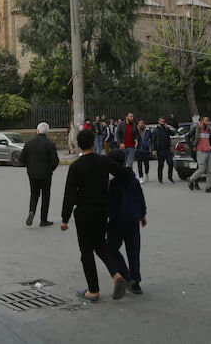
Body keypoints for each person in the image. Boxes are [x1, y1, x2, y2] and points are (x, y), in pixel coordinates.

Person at [61, 129, 128, 303]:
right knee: (100, 246)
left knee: (86, 252)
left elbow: (69, 194)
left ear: (78, 145)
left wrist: (64, 219)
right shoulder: (103, 161)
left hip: (84, 212)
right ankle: (116, 274)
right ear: (93, 143)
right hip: (101, 210)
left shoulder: (76, 166)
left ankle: (93, 290)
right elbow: (122, 173)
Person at [106, 149, 146, 295]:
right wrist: (142, 215)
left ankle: (126, 275)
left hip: (117, 220)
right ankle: (136, 281)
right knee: (133, 251)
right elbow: (140, 198)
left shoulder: (113, 183)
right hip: (133, 220)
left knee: (110, 248)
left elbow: (109, 203)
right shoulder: (133, 179)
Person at [21, 122, 59, 227]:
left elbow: (21, 158)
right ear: (47, 132)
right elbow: (55, 161)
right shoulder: (50, 144)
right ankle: (43, 219)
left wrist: (29, 166)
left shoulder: (29, 143)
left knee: (34, 194)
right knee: (45, 195)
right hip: (46, 174)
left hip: (32, 174)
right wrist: (50, 169)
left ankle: (32, 211)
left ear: (37, 131)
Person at [187, 116, 211, 193]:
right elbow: (187, 136)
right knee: (202, 169)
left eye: (208, 121)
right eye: (206, 121)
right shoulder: (196, 128)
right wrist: (192, 146)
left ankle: (208, 187)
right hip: (200, 151)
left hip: (208, 151)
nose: (207, 122)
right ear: (202, 121)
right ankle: (191, 179)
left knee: (210, 170)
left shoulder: (208, 129)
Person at [152, 116, 174, 184]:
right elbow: (153, 141)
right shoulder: (156, 130)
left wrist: (167, 128)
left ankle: (170, 177)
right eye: (161, 121)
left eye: (163, 122)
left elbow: (173, 134)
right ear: (158, 122)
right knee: (161, 165)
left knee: (170, 163)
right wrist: (154, 149)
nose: (162, 123)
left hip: (167, 149)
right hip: (160, 150)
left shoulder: (166, 129)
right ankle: (160, 179)